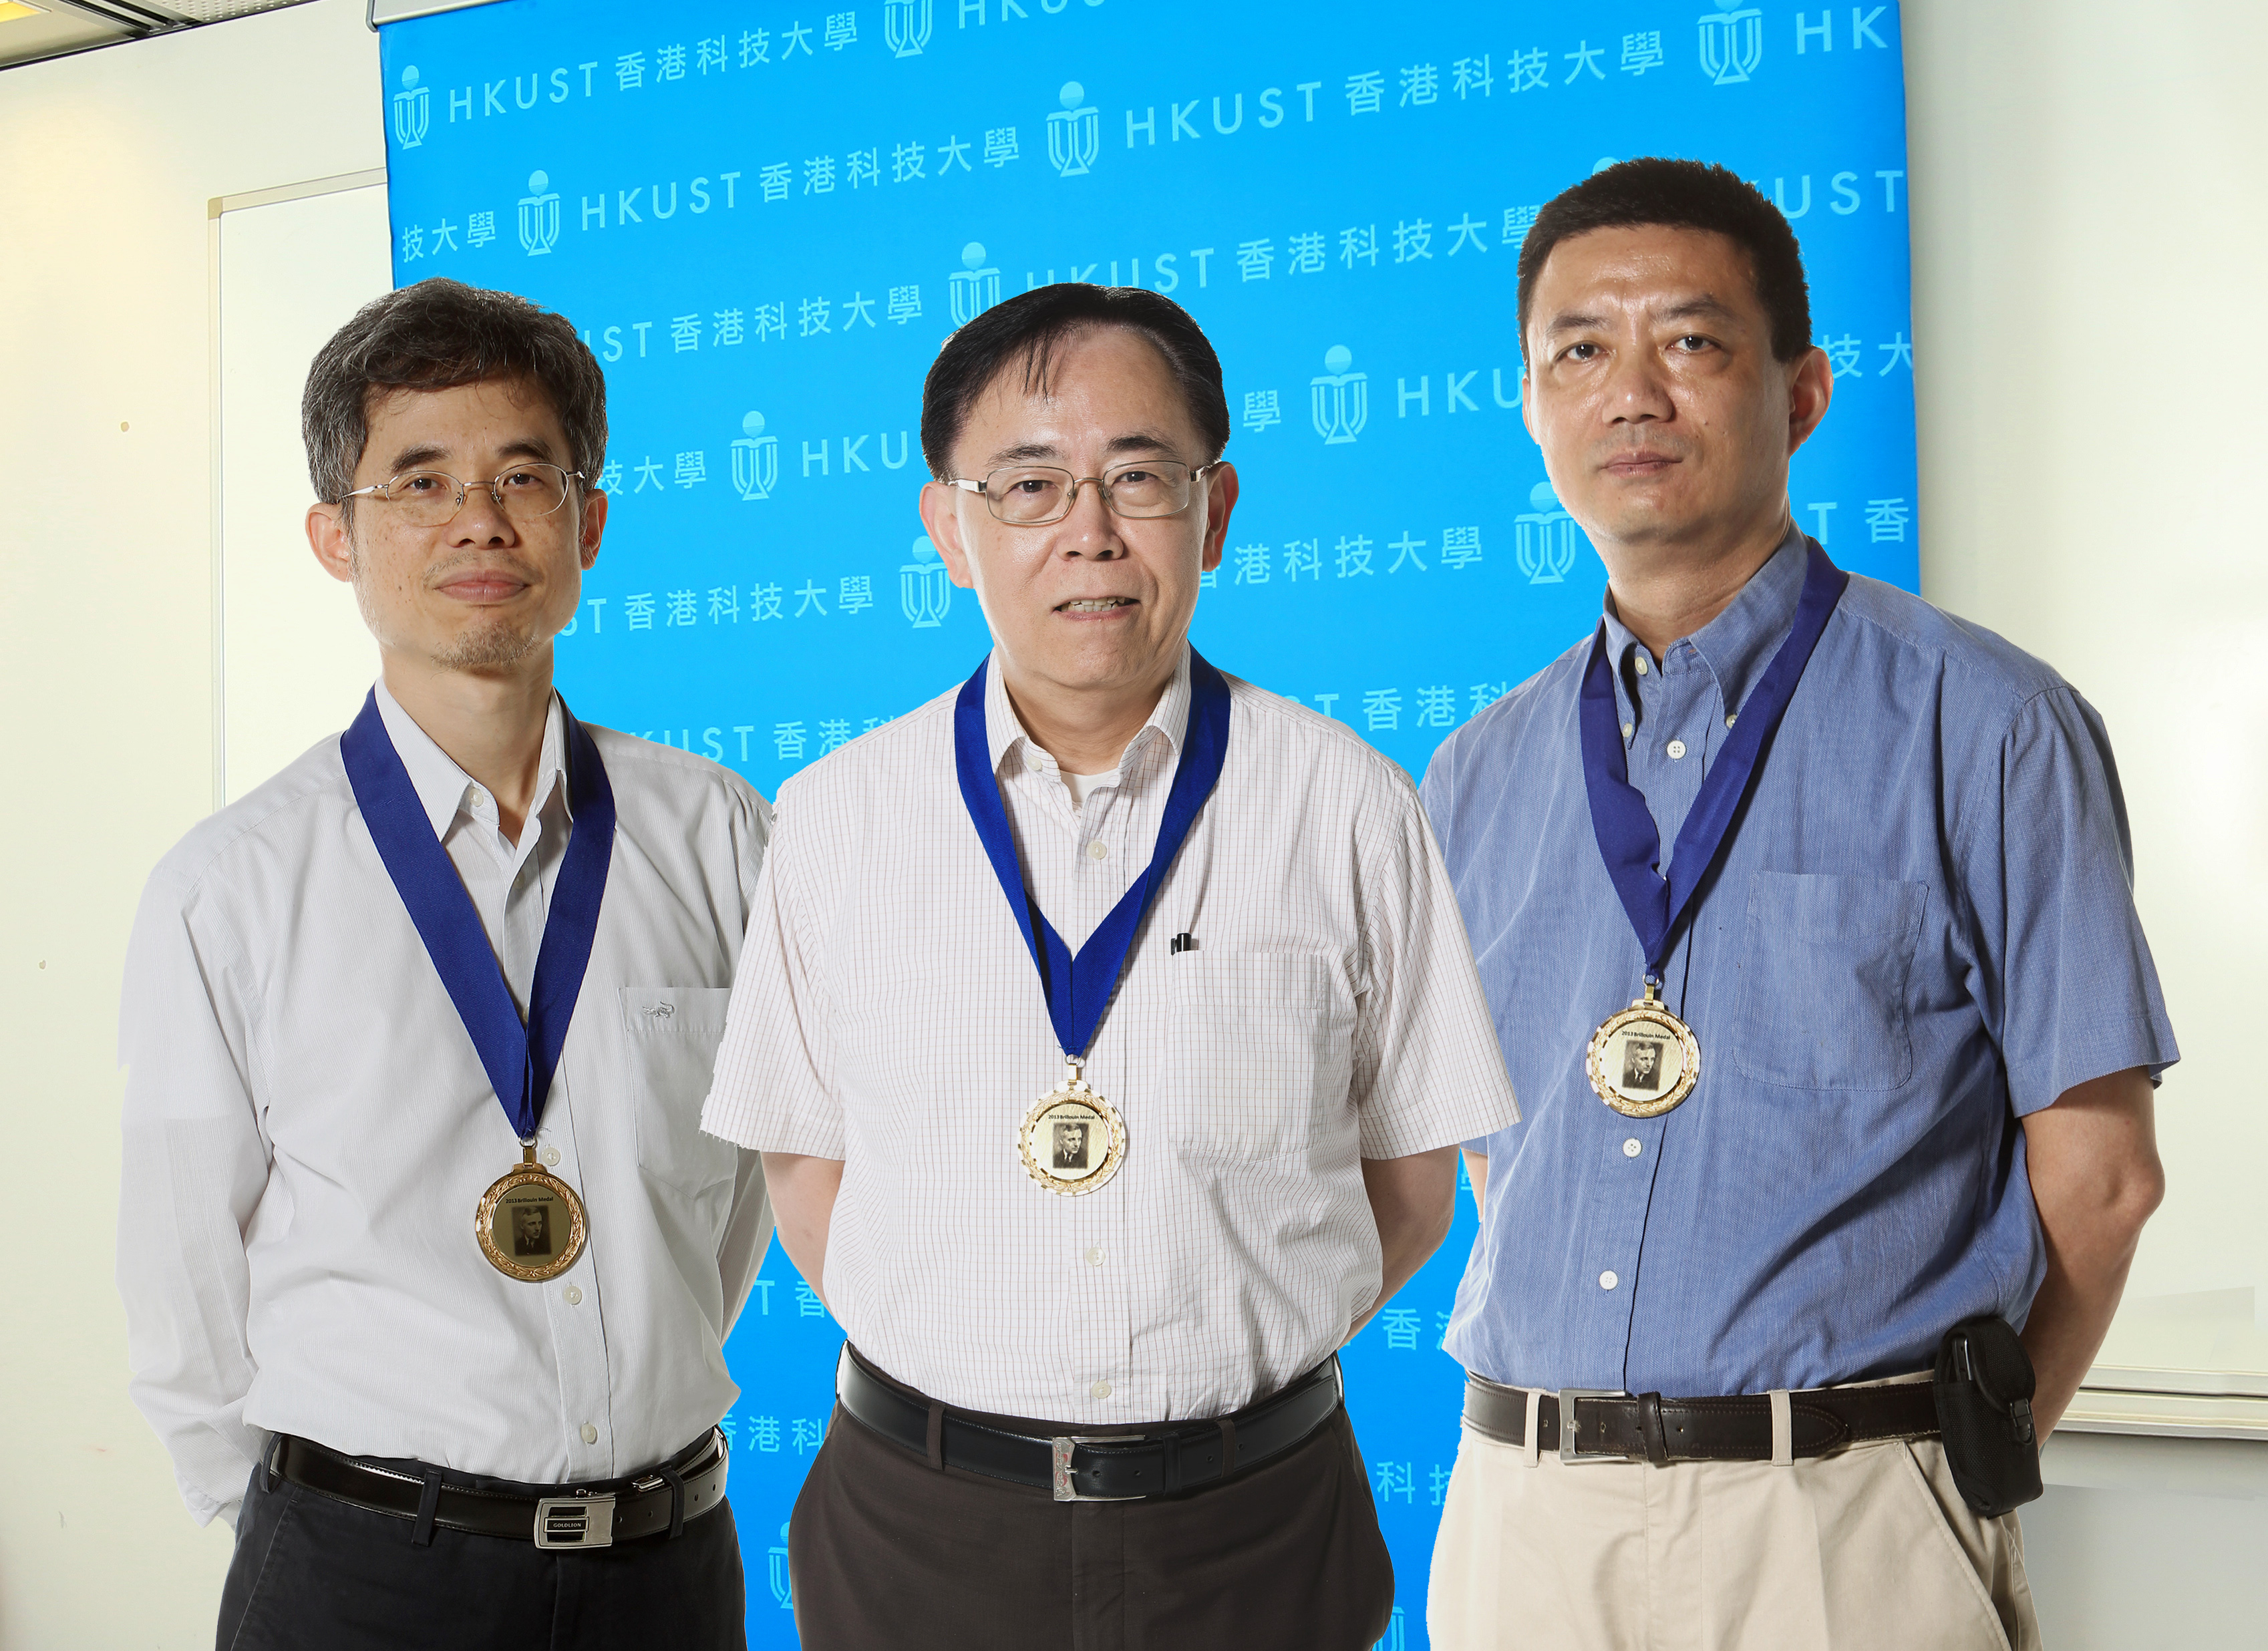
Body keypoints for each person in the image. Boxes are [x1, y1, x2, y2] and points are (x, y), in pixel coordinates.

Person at [1422, 159, 2176, 1650]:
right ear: (1531, 406)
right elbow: (1505, 1156)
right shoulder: (1475, 773)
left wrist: (1940, 1471)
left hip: (1841, 1522)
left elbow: (2102, 1181)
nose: (1632, 393)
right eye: (1580, 351)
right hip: (1525, 1516)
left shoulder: (1990, 724)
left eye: (1691, 341)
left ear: (1805, 392)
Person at [701, 282, 1520, 1650]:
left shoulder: (1348, 805)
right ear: (949, 528)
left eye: (1139, 477)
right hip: (922, 1524)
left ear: (1217, 509)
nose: (1090, 531)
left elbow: (1411, 1182)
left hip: (1256, 1524)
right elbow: (806, 1168)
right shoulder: (837, 818)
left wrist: (1219, 1355)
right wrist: (991, 1365)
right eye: (1029, 485)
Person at [117, 278, 772, 1650]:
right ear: (336, 538)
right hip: (363, 1576)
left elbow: (740, 1204)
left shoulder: (718, 834)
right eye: (420, 482)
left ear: (588, 523)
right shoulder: (234, 888)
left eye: (523, 476)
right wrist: (319, 1534)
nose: (480, 520)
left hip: (667, 1571)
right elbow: (185, 1284)